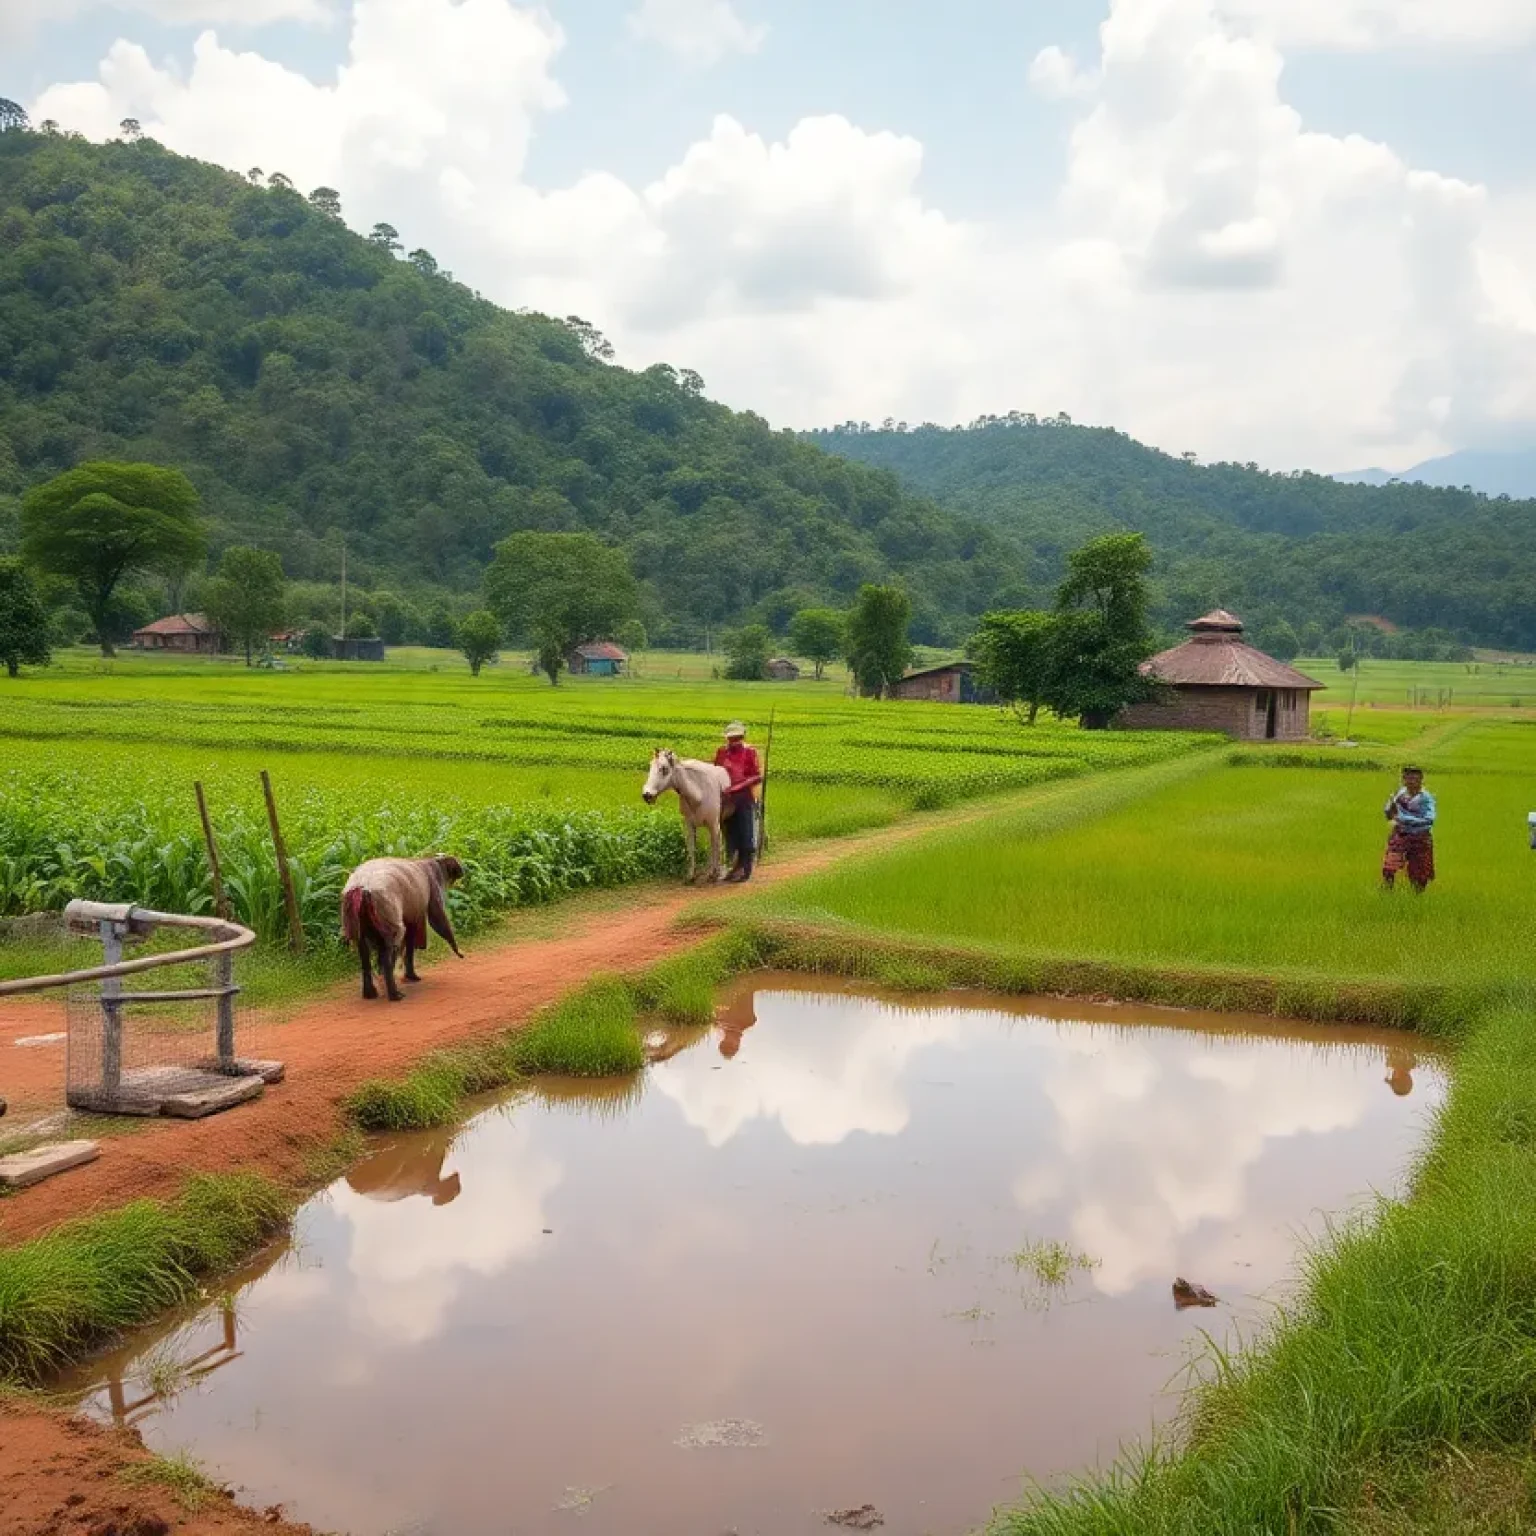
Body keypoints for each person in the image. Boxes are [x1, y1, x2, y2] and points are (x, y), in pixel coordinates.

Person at [714, 721, 763, 882]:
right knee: (730, 834)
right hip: (726, 800)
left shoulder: (750, 752)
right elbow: (716, 771)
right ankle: (734, 866)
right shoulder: (722, 752)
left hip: (743, 798)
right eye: (731, 738)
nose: (734, 741)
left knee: (745, 832)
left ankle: (745, 867)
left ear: (742, 737)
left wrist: (738, 786)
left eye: (737, 738)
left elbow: (756, 776)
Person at [1382, 765, 1436, 894]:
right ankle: (1387, 892)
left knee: (1420, 870)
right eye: (1408, 778)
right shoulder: (1399, 794)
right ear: (1404, 779)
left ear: (1421, 779)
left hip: (1420, 837)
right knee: (1390, 864)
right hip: (1401, 834)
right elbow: (1389, 813)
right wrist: (1390, 808)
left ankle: (1417, 897)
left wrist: (1405, 819)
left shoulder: (1426, 798)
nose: (1411, 781)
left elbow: (1429, 819)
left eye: (1414, 778)